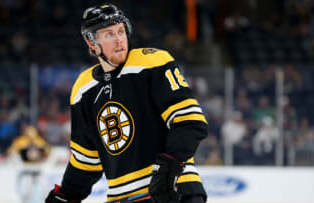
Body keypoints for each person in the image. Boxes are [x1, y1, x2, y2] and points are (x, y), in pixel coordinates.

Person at [45, 3, 208, 203]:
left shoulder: (153, 62)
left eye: (121, 31)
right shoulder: (82, 89)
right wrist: (65, 196)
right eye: (109, 34)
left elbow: (190, 123)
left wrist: (168, 166)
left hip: (173, 191)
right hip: (121, 198)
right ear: (91, 42)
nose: (119, 39)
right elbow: (85, 162)